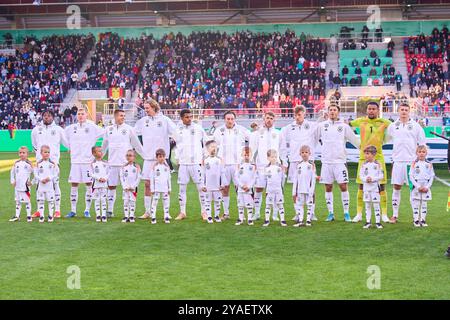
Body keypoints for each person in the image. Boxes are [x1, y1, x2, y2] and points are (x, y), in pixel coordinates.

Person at [316, 104, 360, 222]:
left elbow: (354, 140)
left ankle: (346, 213)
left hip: (340, 161)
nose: (332, 112)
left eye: (335, 110)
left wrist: (364, 149)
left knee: (343, 186)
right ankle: (331, 213)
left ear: (338, 112)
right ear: (328, 112)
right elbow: (313, 138)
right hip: (326, 162)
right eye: (330, 110)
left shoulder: (344, 126)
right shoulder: (322, 125)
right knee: (328, 187)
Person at [135, 98, 177, 220]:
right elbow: (132, 134)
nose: (145, 110)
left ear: (154, 107)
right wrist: (139, 150)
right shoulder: (143, 121)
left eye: (147, 108)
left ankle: (166, 212)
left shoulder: (165, 120)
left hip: (162, 159)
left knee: (164, 186)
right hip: (148, 158)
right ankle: (147, 212)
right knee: (147, 184)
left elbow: (176, 133)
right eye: (145, 108)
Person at [349, 102, 391, 223]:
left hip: (378, 158)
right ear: (366, 110)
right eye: (369, 109)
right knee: (361, 185)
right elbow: (347, 126)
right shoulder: (361, 121)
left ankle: (384, 214)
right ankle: (359, 214)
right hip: (363, 158)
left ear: (377, 110)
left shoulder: (384, 122)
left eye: (373, 109)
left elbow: (395, 128)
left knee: (381, 185)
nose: (371, 111)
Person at [386, 103, 427, 224]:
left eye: (406, 110)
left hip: (411, 163)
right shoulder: (393, 126)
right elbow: (387, 139)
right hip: (398, 162)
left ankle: (416, 217)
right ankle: (394, 215)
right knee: (396, 187)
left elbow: (422, 144)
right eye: (402, 109)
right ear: (398, 111)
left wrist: (420, 160)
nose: (404, 112)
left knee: (413, 189)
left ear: (409, 112)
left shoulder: (416, 126)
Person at [101, 109, 145, 218]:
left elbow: (136, 144)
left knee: (129, 187)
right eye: (121, 115)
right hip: (112, 163)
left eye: (124, 115)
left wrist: (145, 156)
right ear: (115, 116)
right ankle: (110, 210)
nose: (123, 117)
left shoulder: (129, 129)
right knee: (111, 187)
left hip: (126, 164)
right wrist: (100, 157)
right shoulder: (108, 129)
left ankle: (130, 211)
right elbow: (104, 145)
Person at [280, 105, 318, 221]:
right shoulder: (288, 128)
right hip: (294, 161)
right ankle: (298, 212)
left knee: (311, 187)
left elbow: (320, 132)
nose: (297, 117)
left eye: (299, 115)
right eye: (295, 115)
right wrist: (284, 161)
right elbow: (282, 145)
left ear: (304, 114)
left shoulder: (311, 126)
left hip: (308, 161)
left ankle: (311, 213)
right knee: (295, 188)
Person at [65, 107, 105, 218]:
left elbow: (104, 132)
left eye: (82, 114)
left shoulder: (92, 127)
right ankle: (73, 210)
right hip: (75, 161)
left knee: (89, 184)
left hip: (88, 161)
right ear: (76, 116)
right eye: (79, 114)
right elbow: (63, 138)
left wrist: (97, 150)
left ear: (86, 115)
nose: (81, 116)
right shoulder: (71, 128)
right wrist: (69, 147)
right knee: (74, 184)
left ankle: (87, 210)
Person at [31, 110, 68, 219]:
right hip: (40, 163)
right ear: (42, 117)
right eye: (45, 116)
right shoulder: (36, 130)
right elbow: (34, 145)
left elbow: (66, 143)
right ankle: (39, 210)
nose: (47, 117)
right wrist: (39, 157)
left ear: (53, 117)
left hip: (54, 162)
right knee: (39, 186)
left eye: (49, 116)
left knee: (55, 185)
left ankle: (57, 210)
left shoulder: (58, 130)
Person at [213, 111, 249, 219]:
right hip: (223, 164)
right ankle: (226, 213)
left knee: (239, 188)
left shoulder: (241, 130)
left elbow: (253, 139)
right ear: (224, 119)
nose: (230, 121)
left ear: (235, 119)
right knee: (225, 188)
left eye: (232, 119)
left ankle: (241, 213)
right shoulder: (218, 131)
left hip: (237, 164)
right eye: (228, 119)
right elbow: (212, 145)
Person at [174, 109, 207, 221]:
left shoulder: (198, 128)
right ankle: (182, 212)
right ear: (182, 118)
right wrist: (178, 159)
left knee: (201, 188)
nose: (189, 119)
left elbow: (206, 142)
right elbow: (177, 146)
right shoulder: (177, 130)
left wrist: (204, 157)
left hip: (196, 163)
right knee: (182, 189)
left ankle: (204, 212)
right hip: (183, 163)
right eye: (186, 117)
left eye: (190, 116)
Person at [249, 112, 282, 221]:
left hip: (275, 166)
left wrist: (283, 163)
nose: (269, 120)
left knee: (275, 190)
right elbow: (252, 149)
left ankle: (275, 214)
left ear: (274, 120)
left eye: (271, 118)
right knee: (258, 189)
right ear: (264, 119)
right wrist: (251, 163)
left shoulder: (278, 133)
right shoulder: (258, 133)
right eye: (267, 118)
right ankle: (257, 212)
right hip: (261, 166)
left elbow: (282, 149)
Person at [359, 145, 384, 229]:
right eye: (365, 154)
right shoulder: (363, 164)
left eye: (367, 153)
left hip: (375, 188)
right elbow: (361, 175)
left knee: (376, 204)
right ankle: (368, 222)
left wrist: (372, 179)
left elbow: (381, 176)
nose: (365, 155)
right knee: (367, 205)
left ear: (373, 154)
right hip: (366, 188)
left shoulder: (378, 164)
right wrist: (366, 179)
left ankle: (378, 222)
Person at [409, 145, 435, 227]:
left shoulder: (429, 164)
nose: (421, 153)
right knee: (416, 204)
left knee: (424, 204)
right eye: (419, 152)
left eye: (423, 152)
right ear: (416, 153)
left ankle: (423, 220)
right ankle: (416, 220)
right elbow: (411, 176)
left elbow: (432, 176)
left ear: (426, 153)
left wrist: (427, 187)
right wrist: (417, 186)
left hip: (425, 187)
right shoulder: (414, 164)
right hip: (417, 187)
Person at [292, 145, 316, 227]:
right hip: (300, 189)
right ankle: (301, 220)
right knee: (300, 205)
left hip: (308, 189)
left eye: (306, 152)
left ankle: (308, 220)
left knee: (309, 204)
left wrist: (312, 189)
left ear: (309, 153)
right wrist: (294, 190)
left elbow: (313, 179)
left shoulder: (311, 165)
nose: (304, 154)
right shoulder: (298, 165)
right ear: (300, 154)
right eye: (302, 152)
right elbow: (296, 178)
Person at [262, 149, 287, 227]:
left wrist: (281, 187)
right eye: (272, 157)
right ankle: (266, 220)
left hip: (278, 190)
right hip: (269, 190)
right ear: (268, 158)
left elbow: (283, 178)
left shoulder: (279, 168)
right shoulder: (266, 169)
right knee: (268, 205)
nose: (274, 158)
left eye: (275, 157)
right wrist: (265, 189)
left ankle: (282, 220)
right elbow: (264, 180)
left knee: (280, 204)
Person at [34, 145, 58, 223]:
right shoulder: (38, 163)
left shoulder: (52, 163)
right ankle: (42, 216)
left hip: (50, 186)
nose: (47, 154)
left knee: (50, 201)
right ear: (41, 153)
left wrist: (49, 178)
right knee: (41, 201)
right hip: (41, 186)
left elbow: (55, 173)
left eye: (48, 152)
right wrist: (41, 179)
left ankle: (50, 215)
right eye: (45, 152)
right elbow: (35, 174)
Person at [9, 146, 33, 222]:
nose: (22, 154)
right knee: (18, 201)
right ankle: (17, 216)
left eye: (23, 153)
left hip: (25, 187)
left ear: (27, 154)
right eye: (20, 153)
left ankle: (29, 216)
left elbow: (35, 173)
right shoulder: (16, 163)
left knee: (27, 201)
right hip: (17, 186)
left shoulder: (29, 164)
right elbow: (12, 172)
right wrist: (12, 181)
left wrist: (32, 182)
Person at [202, 140, 223, 224]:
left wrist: (222, 184)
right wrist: (203, 185)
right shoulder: (205, 160)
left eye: (215, 147)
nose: (214, 148)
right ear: (207, 149)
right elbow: (203, 174)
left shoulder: (219, 160)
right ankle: (209, 216)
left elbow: (222, 173)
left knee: (217, 201)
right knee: (208, 201)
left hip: (217, 185)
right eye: (212, 147)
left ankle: (217, 216)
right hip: (208, 186)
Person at [235, 146, 257, 226]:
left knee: (249, 204)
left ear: (251, 155)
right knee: (240, 204)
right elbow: (236, 177)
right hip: (241, 189)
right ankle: (240, 219)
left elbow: (254, 177)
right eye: (245, 155)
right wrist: (241, 185)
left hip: (249, 189)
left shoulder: (253, 166)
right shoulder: (239, 165)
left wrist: (249, 186)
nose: (246, 156)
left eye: (248, 155)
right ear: (242, 155)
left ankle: (250, 219)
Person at [149, 149, 172, 224]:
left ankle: (166, 217)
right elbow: (152, 179)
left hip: (165, 188)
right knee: (154, 202)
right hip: (157, 189)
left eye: (163, 156)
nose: (162, 158)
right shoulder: (154, 167)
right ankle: (153, 217)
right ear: (157, 157)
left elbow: (169, 178)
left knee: (166, 203)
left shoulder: (167, 167)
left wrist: (169, 188)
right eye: (160, 156)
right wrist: (152, 189)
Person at [120, 150, 141, 223]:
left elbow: (138, 178)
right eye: (127, 155)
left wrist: (133, 186)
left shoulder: (136, 167)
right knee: (125, 202)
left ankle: (131, 216)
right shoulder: (123, 167)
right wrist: (124, 186)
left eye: (130, 155)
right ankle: (126, 216)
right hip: (125, 189)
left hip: (133, 189)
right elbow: (121, 177)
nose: (128, 157)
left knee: (132, 202)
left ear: (134, 157)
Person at [91, 146, 109, 223]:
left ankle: (104, 215)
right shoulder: (92, 164)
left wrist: (105, 178)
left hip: (104, 184)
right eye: (99, 151)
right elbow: (91, 173)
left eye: (101, 151)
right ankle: (98, 215)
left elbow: (109, 172)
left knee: (104, 200)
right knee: (97, 200)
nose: (101, 153)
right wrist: (98, 178)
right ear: (94, 153)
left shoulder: (106, 163)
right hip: (96, 185)